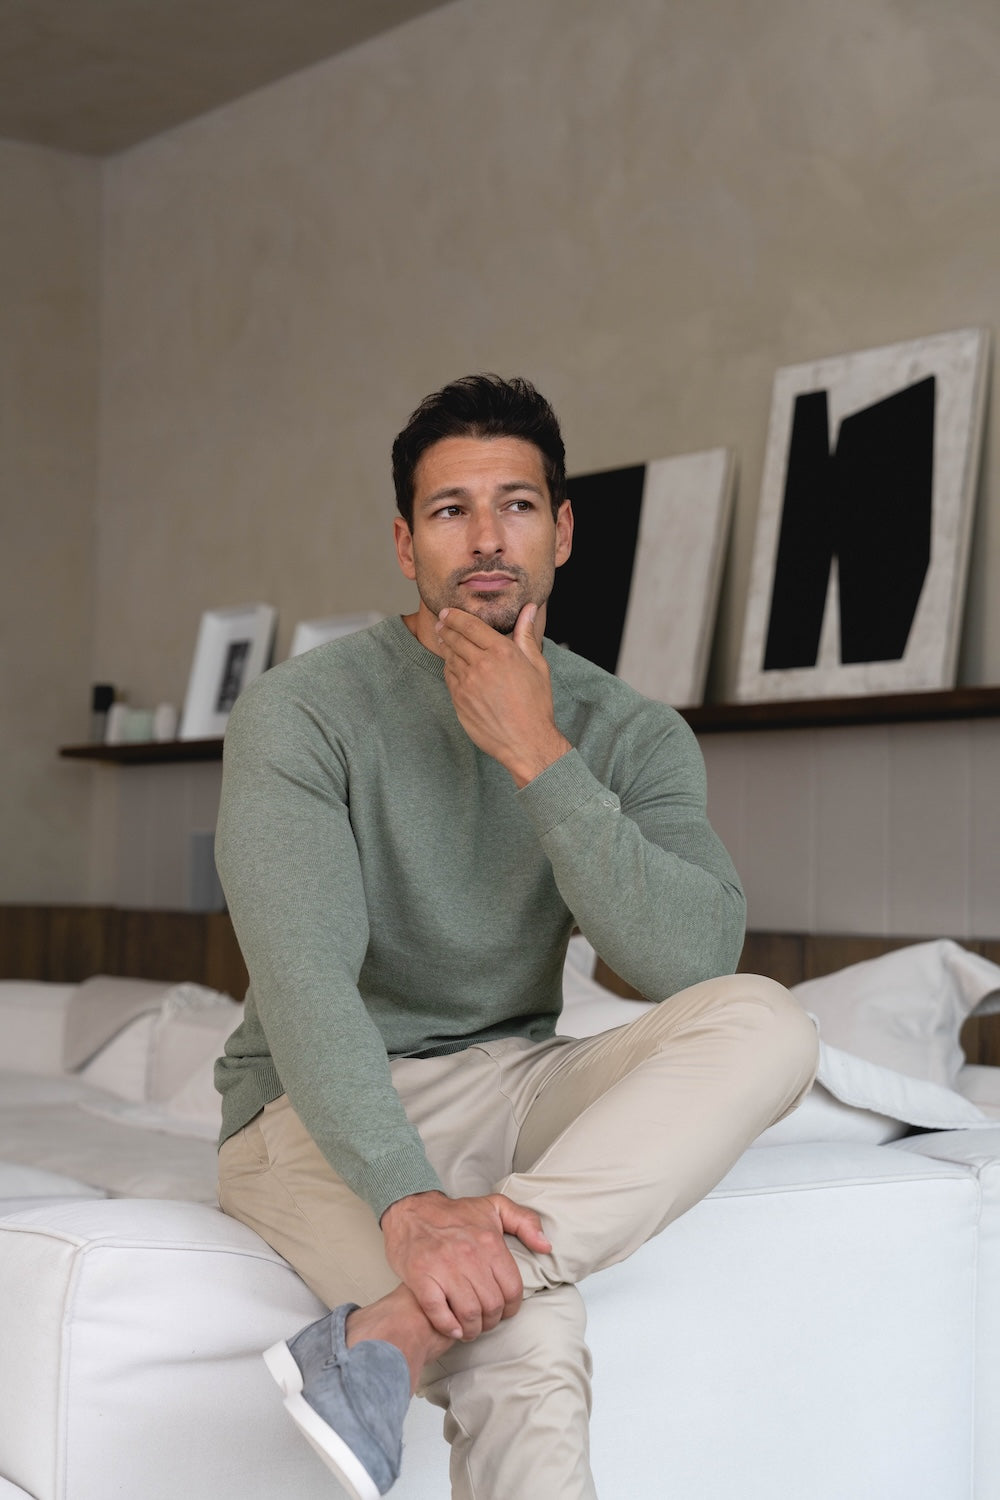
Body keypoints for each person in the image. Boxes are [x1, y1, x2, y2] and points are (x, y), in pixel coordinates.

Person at [214, 374, 818, 1500]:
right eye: (451, 510)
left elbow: (692, 962)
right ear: (407, 543)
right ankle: (455, 1287)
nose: (487, 539)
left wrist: (539, 754)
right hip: (308, 1102)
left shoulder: (628, 731)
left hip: (512, 1079)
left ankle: (394, 1329)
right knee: (520, 1333)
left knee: (768, 1021)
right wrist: (408, 1203)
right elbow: (305, 985)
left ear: (563, 530)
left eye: (518, 506)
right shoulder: (303, 711)